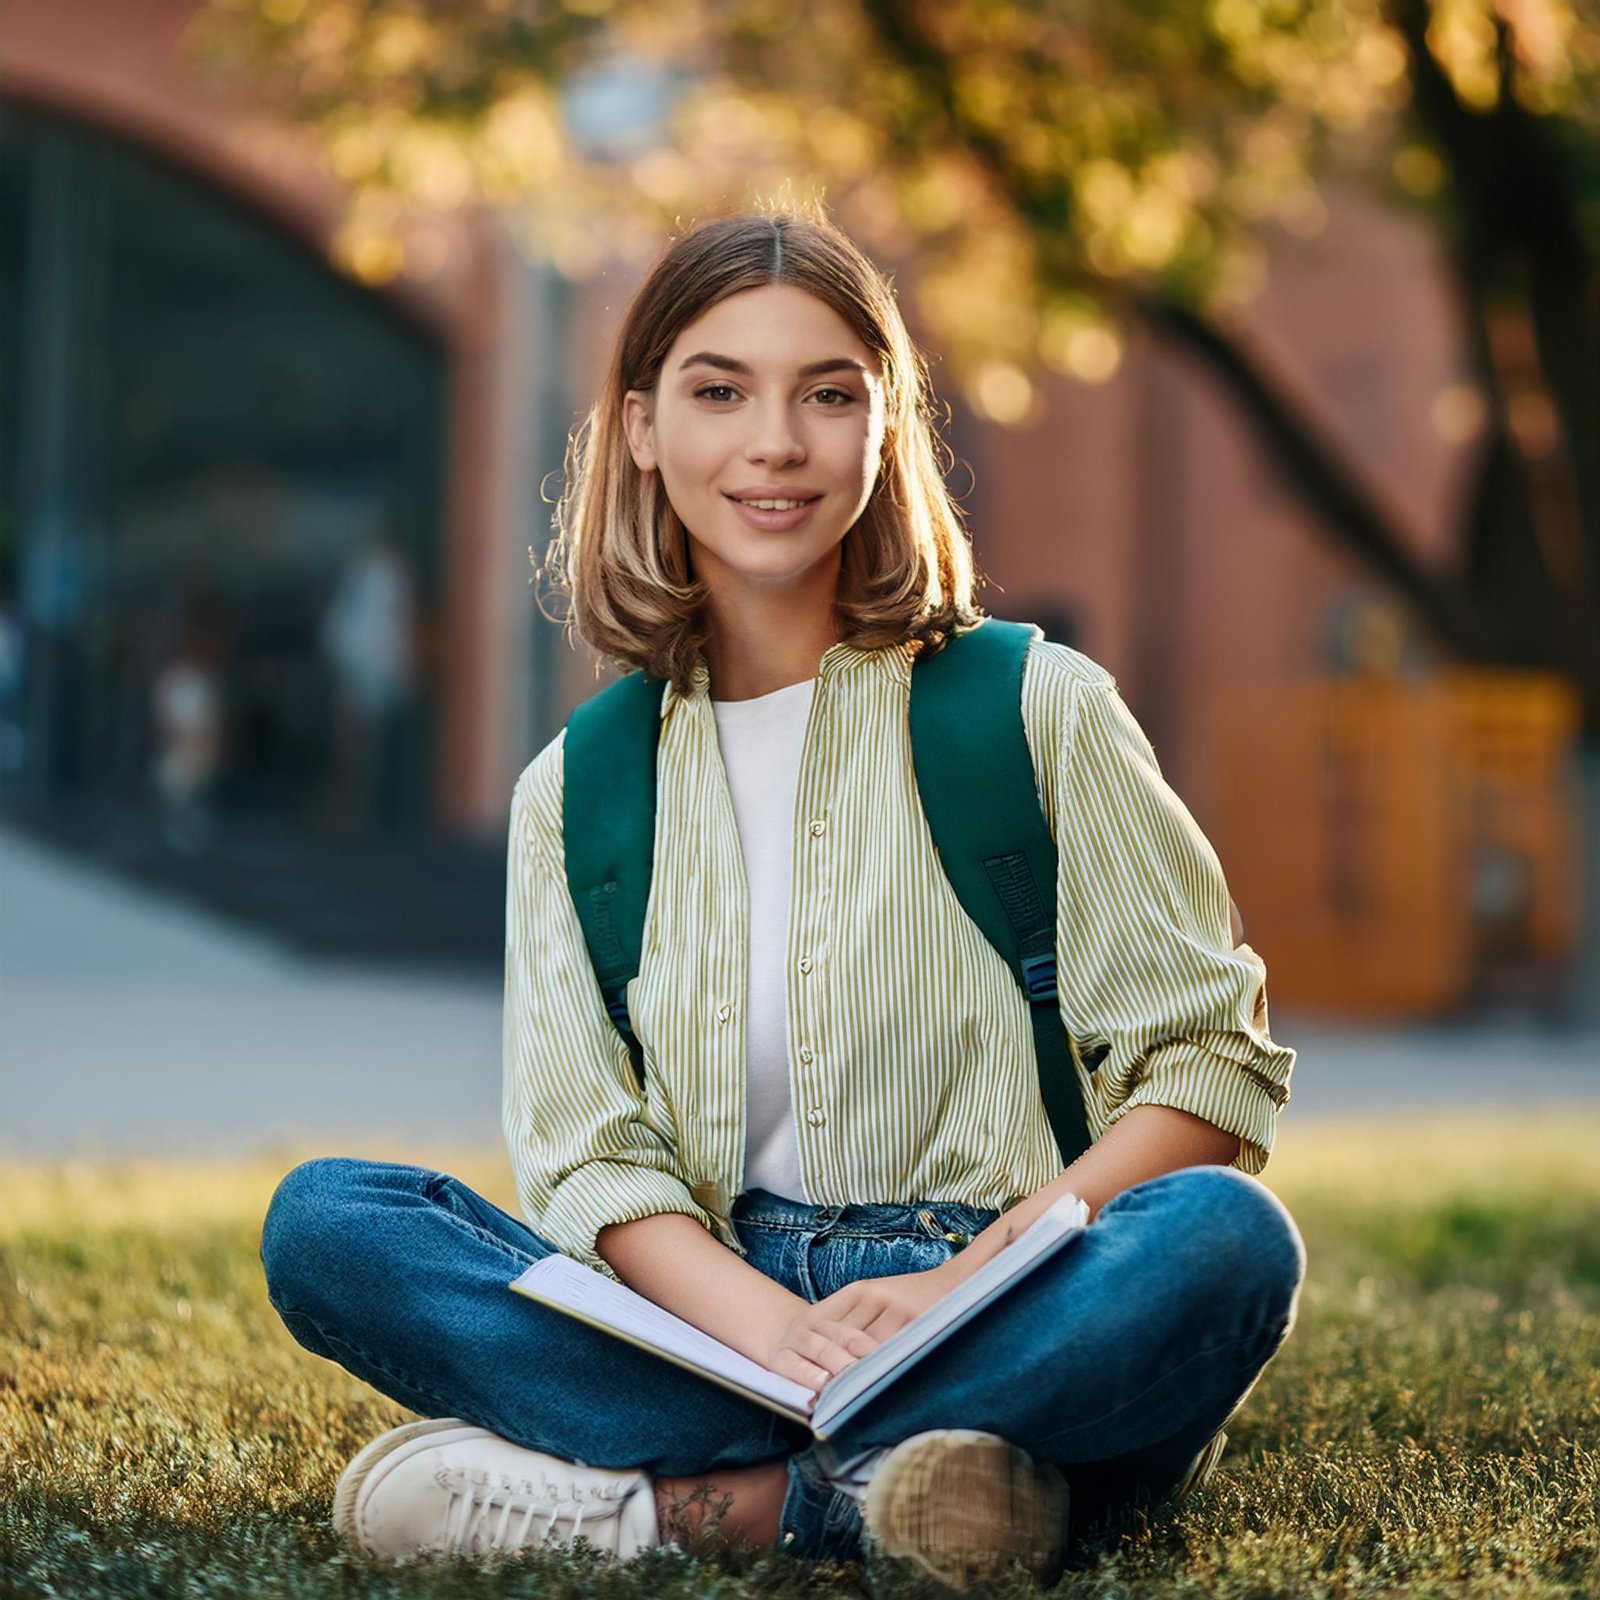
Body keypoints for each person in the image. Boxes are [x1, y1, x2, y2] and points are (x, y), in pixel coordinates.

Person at [259, 205, 1305, 1590]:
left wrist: (954, 1288)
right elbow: (589, 1152)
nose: (775, 443)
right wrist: (761, 1325)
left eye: (829, 394)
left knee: (1222, 1247)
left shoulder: (1032, 708)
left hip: (1000, 1287)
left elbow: (1204, 1063)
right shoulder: (576, 790)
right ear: (639, 428)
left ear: (885, 428)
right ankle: (939, 1482)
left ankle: (697, 1511)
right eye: (718, 391)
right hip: (706, 1314)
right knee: (332, 1222)